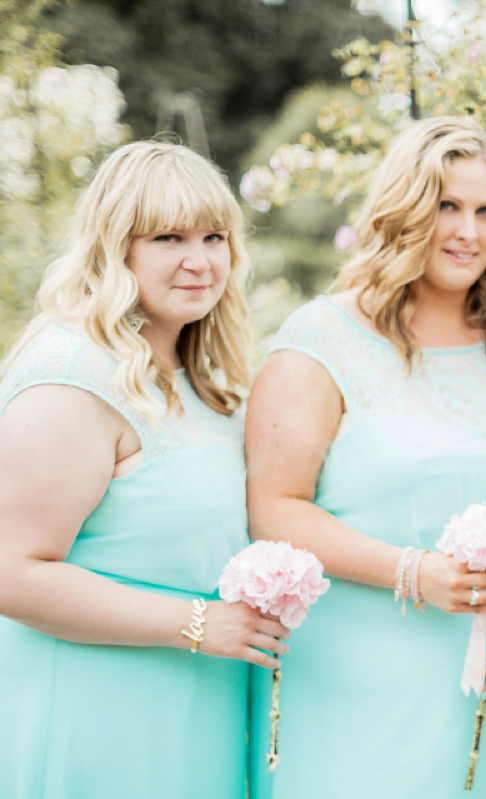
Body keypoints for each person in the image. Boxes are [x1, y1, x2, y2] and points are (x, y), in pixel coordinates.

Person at [244, 116, 486, 798]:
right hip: (354, 687)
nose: (469, 231)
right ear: (404, 211)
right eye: (447, 207)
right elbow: (274, 508)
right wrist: (413, 571)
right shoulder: (321, 339)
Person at [0, 141, 289, 799]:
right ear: (115, 249)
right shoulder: (70, 378)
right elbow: (9, 572)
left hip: (195, 710)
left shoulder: (205, 378)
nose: (200, 260)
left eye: (214, 236)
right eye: (168, 237)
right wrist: (195, 623)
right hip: (96, 714)